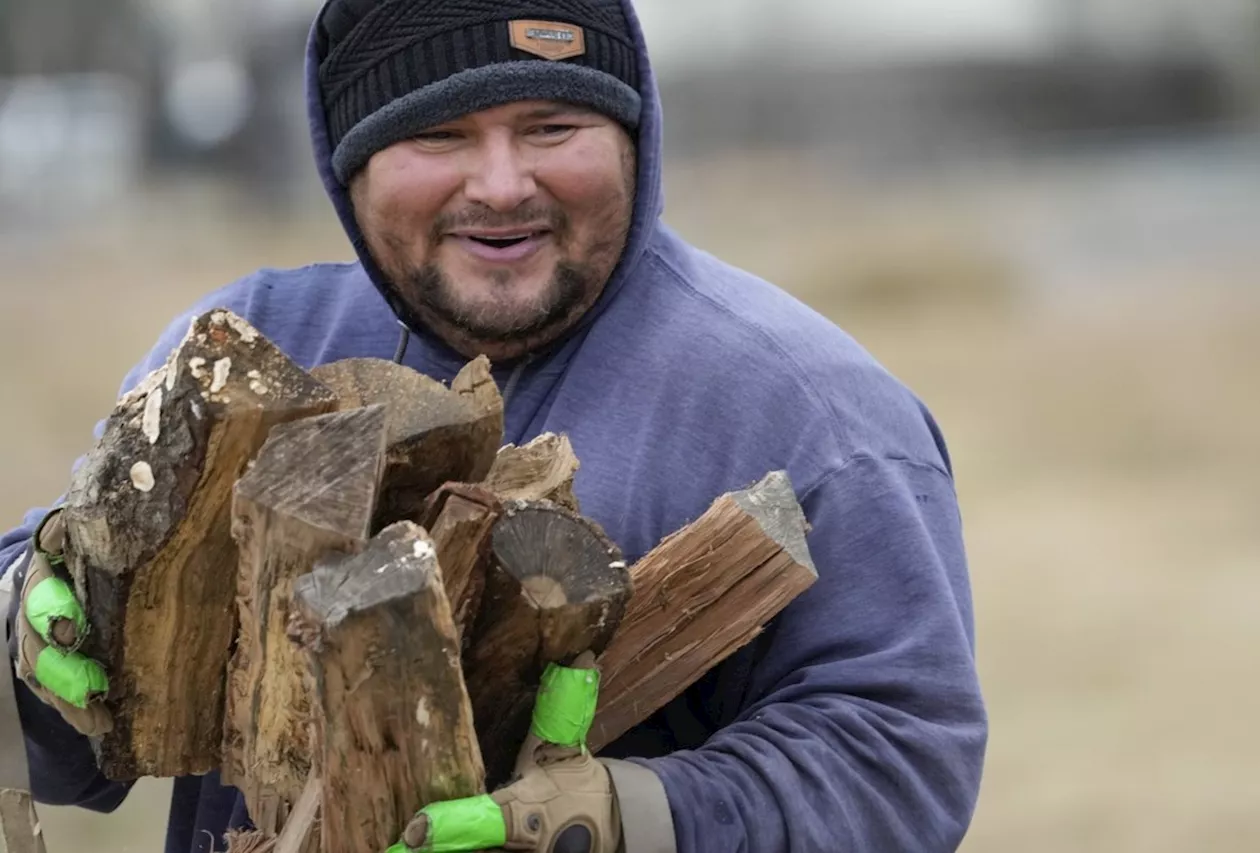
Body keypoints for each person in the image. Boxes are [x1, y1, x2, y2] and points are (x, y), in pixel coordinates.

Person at [0, 0, 988, 851]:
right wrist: (28, 624)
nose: (502, 183)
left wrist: (622, 818)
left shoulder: (811, 410)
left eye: (551, 125)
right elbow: (70, 732)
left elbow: (900, 754)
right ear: (350, 166)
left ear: (631, 136)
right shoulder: (241, 354)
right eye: (440, 136)